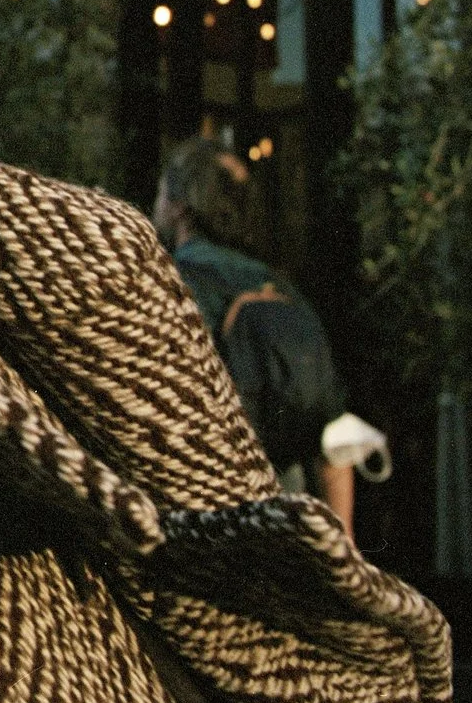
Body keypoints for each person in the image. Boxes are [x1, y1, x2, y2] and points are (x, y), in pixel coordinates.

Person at [153, 139, 366, 535]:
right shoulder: (279, 287)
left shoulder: (176, 281)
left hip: (208, 508)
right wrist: (345, 549)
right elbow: (333, 434)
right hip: (285, 503)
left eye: (162, 193)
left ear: (181, 207)